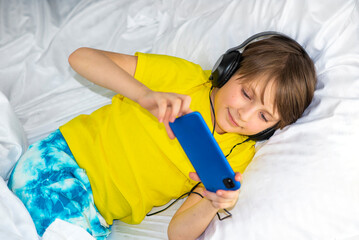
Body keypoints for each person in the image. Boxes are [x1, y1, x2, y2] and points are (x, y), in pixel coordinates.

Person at [7, 33, 316, 240]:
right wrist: (143, 95)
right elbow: (81, 57)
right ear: (228, 69)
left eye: (264, 116)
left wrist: (213, 203)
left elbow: (178, 233)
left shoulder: (237, 155)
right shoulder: (182, 78)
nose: (245, 115)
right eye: (247, 93)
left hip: (94, 213)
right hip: (60, 164)